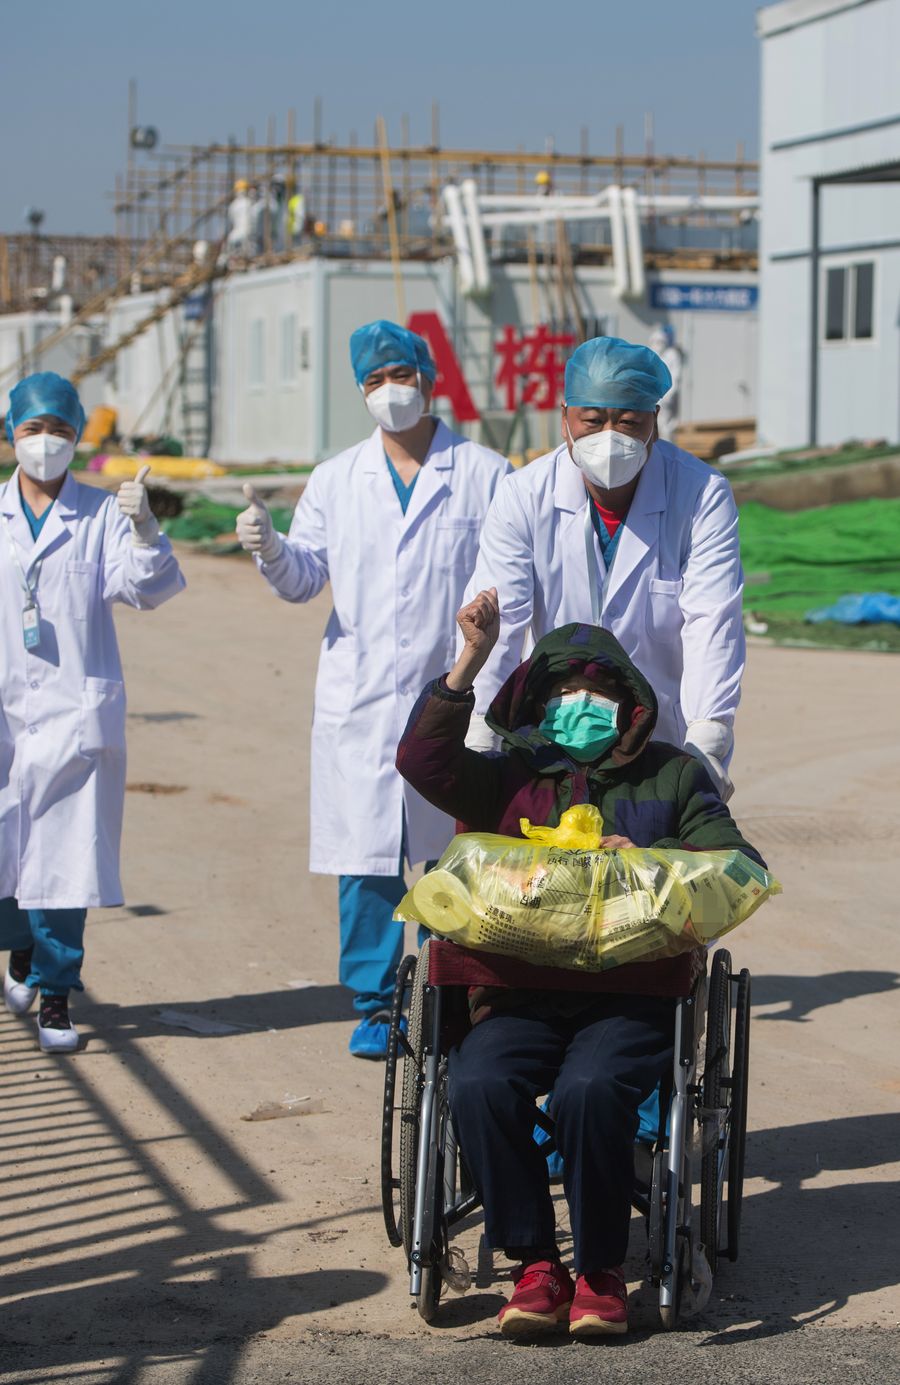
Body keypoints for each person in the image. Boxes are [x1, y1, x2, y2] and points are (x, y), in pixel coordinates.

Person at [396, 590, 763, 1337]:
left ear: (630, 705)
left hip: (631, 998)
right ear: (538, 704)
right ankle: (536, 1262)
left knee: (589, 1091)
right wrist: (470, 660)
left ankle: (599, 1270)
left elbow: (737, 863)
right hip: (514, 993)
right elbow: (421, 760)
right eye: (564, 692)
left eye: (597, 693)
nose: (581, 705)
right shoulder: (506, 775)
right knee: (478, 1081)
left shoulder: (673, 775)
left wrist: (651, 859)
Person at [234, 321, 511, 1058]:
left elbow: (511, 576)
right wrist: (270, 548)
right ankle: (377, 1006)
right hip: (360, 701)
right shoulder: (335, 479)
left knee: (454, 857)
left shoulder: (485, 472)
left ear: (428, 378)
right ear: (361, 390)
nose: (389, 390)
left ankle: (449, 999)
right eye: (374, 380)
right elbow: (304, 580)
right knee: (366, 862)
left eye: (400, 374)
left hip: (455, 692)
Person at [465, 335, 744, 801]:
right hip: (551, 733)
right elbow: (503, 621)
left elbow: (712, 621)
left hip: (659, 742)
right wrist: (481, 735)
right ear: (565, 420)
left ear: (655, 422)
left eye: (629, 422)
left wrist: (707, 742)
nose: (610, 438)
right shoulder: (523, 495)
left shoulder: (701, 495)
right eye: (593, 421)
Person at [0, 372, 186, 1051]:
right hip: (6, 714)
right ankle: (20, 945)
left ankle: (56, 993)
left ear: (77, 436)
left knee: (66, 858)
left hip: (73, 712)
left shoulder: (103, 514)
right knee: (7, 850)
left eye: (59, 429)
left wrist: (143, 526)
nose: (45, 441)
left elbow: (147, 588)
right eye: (32, 428)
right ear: (11, 434)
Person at [648, 324, 683, 440]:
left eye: (660, 342)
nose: (657, 345)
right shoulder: (651, 356)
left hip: (667, 398)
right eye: (655, 342)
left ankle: (668, 447)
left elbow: (675, 377)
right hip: (655, 399)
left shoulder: (672, 355)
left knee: (667, 427)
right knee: (655, 426)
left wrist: (668, 396)